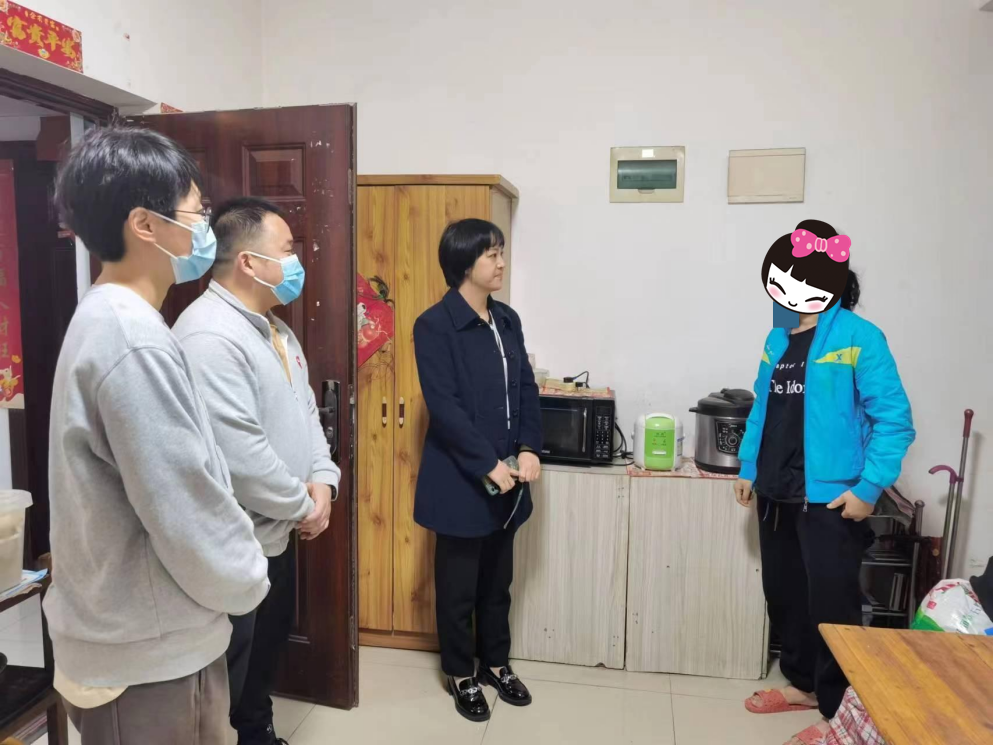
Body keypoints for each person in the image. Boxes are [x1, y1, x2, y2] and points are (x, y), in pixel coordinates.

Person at [46, 127, 270, 744]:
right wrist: (249, 576)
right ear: (145, 224)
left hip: (145, 637)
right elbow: (183, 505)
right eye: (197, 213)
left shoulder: (114, 316)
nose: (206, 230)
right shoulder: (131, 337)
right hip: (146, 655)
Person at [733, 220, 916, 745]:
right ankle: (802, 685)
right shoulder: (778, 337)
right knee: (785, 594)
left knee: (832, 606)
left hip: (832, 497)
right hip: (776, 490)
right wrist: (748, 468)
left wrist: (868, 489)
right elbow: (762, 409)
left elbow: (894, 421)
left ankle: (840, 711)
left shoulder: (859, 336)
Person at [173, 197, 339, 745]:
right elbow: (241, 457)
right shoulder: (209, 335)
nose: (297, 262)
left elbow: (307, 415)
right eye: (288, 250)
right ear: (248, 261)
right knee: (229, 670)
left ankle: (258, 733)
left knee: (263, 656)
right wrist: (304, 504)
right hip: (235, 543)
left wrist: (325, 482)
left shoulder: (278, 331)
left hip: (279, 531)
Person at [413, 219, 543, 722]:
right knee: (458, 588)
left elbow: (525, 387)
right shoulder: (434, 325)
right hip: (461, 481)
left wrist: (529, 448)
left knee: (497, 583)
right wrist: (487, 463)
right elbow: (444, 408)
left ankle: (495, 663)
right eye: (492, 254)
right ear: (464, 263)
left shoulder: (506, 319)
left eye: (501, 252)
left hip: (510, 479)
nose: (501, 262)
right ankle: (460, 672)